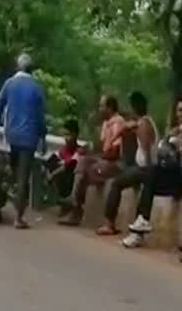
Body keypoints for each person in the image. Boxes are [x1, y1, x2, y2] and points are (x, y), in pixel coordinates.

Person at [0, 53, 47, 229]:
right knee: (23, 177)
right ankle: (18, 218)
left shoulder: (10, 83)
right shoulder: (36, 88)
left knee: (15, 171)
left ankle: (12, 191)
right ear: (32, 69)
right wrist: (42, 136)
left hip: (12, 134)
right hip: (29, 137)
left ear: (18, 67)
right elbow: (40, 116)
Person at [122, 97, 182, 256]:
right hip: (170, 174)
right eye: (178, 111)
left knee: (151, 173)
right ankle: (140, 227)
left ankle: (141, 222)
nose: (179, 115)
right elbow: (162, 148)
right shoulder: (175, 131)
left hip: (178, 175)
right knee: (150, 176)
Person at [96, 92, 158, 235]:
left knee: (116, 183)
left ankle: (109, 223)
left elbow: (147, 152)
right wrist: (113, 139)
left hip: (145, 169)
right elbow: (126, 127)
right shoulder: (145, 121)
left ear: (134, 108)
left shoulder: (143, 126)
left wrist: (147, 176)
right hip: (143, 167)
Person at [59, 95, 126, 226]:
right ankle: (74, 200)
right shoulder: (106, 123)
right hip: (104, 158)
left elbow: (115, 152)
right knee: (82, 162)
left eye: (102, 106)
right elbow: (101, 147)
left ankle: (75, 208)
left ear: (110, 108)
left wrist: (98, 156)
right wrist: (90, 152)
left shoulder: (118, 123)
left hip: (115, 163)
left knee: (87, 172)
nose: (100, 109)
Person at [44, 119, 83, 216]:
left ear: (75, 135)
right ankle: (62, 202)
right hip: (64, 179)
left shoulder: (80, 150)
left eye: (68, 135)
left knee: (65, 171)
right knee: (52, 164)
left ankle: (71, 206)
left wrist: (52, 175)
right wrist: (48, 173)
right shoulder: (64, 150)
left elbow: (70, 165)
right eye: (65, 135)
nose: (66, 138)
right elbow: (50, 161)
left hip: (74, 179)